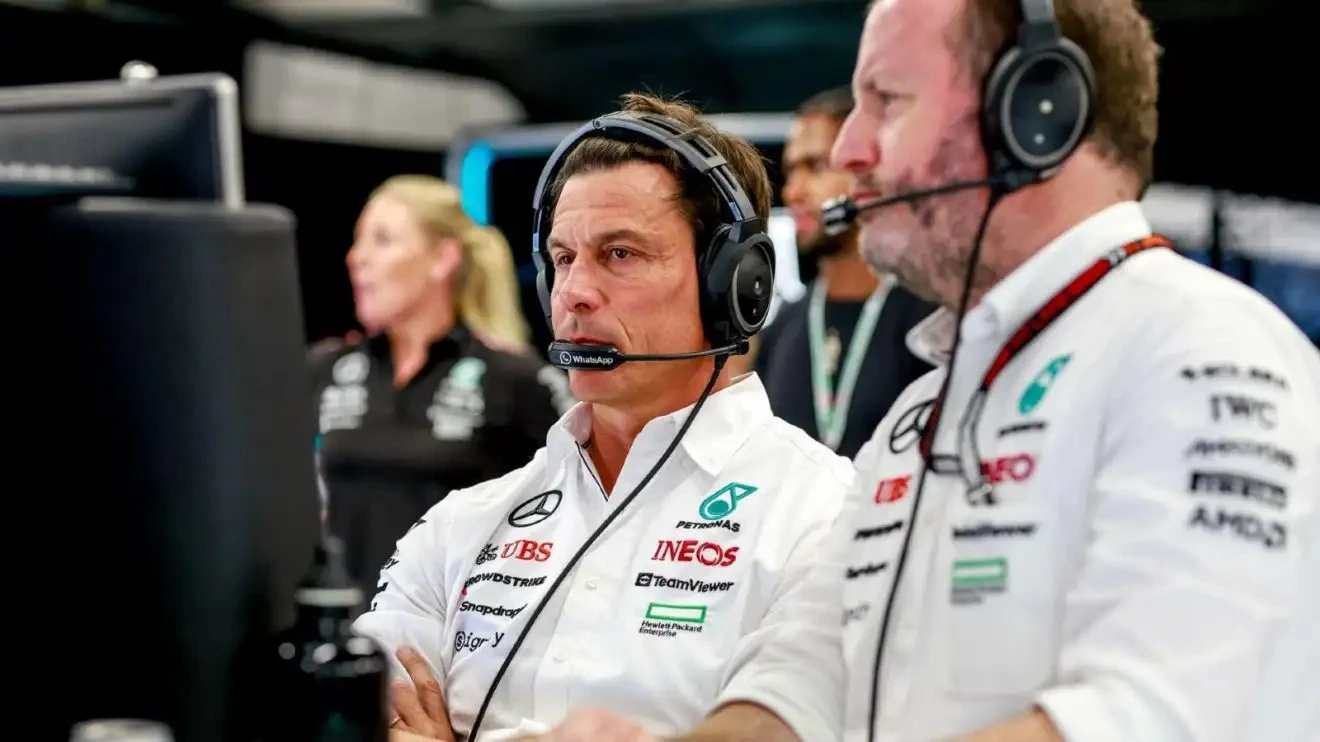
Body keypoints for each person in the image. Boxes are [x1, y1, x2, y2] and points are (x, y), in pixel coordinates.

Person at [828, 1, 1320, 741]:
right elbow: (800, 670)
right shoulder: (921, 410)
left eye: (887, 100)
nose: (848, 150)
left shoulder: (1205, 350)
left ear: (1035, 112)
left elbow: (1143, 716)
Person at [353, 93, 853, 742]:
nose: (575, 293)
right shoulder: (461, 527)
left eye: (621, 254)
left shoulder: (825, 513)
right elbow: (360, 713)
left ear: (732, 284)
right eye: (563, 258)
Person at [311, 175, 575, 583]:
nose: (356, 257)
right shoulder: (327, 367)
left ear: (442, 259)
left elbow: (583, 501)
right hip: (347, 619)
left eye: (382, 240)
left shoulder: (515, 378)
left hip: (459, 617)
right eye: (358, 241)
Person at [756, 86, 936, 458]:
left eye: (816, 168)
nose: (792, 191)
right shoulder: (782, 327)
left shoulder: (931, 321)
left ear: (865, 171)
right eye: (790, 171)